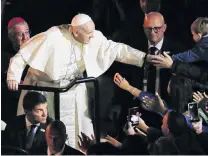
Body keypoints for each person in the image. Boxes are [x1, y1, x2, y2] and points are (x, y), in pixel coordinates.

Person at [6, 13, 155, 149]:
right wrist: (13, 76)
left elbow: (117, 50)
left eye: (93, 32)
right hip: (48, 90)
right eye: (88, 33)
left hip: (74, 89)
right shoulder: (52, 36)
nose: (92, 37)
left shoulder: (92, 35)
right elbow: (22, 55)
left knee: (78, 133)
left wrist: (143, 58)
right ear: (76, 31)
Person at [142, 12, 186, 103]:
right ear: (143, 28)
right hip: (141, 105)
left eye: (156, 28)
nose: (152, 32)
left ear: (164, 28)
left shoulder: (178, 50)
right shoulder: (136, 48)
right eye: (148, 29)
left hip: (168, 107)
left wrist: (172, 66)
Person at [2, 17, 31, 122]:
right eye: (20, 34)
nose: (25, 38)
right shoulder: (3, 55)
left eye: (27, 33)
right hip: (11, 104)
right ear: (11, 37)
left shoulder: (35, 50)